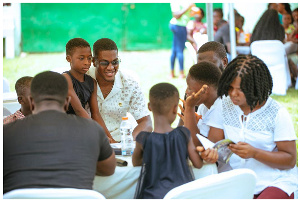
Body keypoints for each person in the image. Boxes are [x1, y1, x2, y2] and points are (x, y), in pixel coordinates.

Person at [3, 71, 116, 194]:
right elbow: (108, 169)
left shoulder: (5, 133)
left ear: (31, 101)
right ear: (67, 102)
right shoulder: (92, 129)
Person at [208, 55, 298, 199]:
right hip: (236, 180)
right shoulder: (223, 104)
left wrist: (255, 153)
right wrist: (210, 153)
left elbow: (290, 160)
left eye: (240, 89)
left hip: (274, 182)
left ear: (255, 87)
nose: (233, 94)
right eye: (230, 87)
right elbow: (212, 144)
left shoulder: (277, 113)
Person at [132, 82, 203, 199]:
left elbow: (136, 163)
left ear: (149, 106)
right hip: (181, 196)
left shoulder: (143, 138)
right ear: (176, 109)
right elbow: (198, 164)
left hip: (152, 196)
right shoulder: (183, 134)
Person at [87, 38, 152, 142]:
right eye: (104, 63)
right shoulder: (83, 80)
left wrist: (128, 141)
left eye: (115, 62)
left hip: (120, 141)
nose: (111, 67)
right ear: (94, 62)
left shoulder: (129, 84)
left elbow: (146, 122)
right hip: (88, 141)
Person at [63, 38, 114, 142]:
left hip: (82, 126)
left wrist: (112, 140)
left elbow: (95, 114)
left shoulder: (92, 82)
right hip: (64, 127)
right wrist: (99, 135)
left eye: (89, 58)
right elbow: (79, 110)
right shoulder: (65, 78)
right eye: (81, 58)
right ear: (69, 58)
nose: (87, 62)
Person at [177, 41, 228, 127]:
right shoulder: (195, 90)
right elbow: (182, 126)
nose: (204, 70)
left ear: (224, 62)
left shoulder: (234, 90)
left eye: (210, 64)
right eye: (200, 66)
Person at [169, 2, 195, 78]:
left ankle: (172, 73)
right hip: (179, 26)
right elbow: (176, 15)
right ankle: (181, 73)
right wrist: (188, 6)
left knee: (174, 50)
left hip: (179, 26)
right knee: (180, 50)